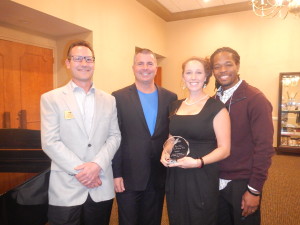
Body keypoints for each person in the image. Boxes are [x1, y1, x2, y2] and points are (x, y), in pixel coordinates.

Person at [40, 40, 121, 225]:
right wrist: (83, 172)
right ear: (68, 63)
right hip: (67, 186)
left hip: (100, 184)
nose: (84, 64)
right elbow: (50, 141)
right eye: (78, 59)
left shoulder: (109, 100)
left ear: (94, 63)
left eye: (88, 59)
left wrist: (96, 166)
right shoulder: (51, 98)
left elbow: (114, 136)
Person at [160, 57, 231, 225]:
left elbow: (224, 148)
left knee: (201, 217)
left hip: (201, 174)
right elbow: (172, 137)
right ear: (183, 77)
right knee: (177, 215)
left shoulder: (217, 108)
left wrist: (198, 162)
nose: (193, 77)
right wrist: (165, 151)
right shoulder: (174, 105)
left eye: (198, 72)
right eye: (189, 72)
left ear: (206, 76)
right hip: (176, 173)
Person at [112, 48, 177, 225]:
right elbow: (115, 137)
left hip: (158, 175)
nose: (145, 67)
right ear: (133, 67)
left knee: (152, 220)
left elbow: (172, 135)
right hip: (128, 175)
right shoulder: (118, 97)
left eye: (150, 63)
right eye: (140, 63)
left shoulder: (171, 98)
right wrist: (116, 174)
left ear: (156, 68)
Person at [210, 47, 274, 225]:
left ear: (237, 65)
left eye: (228, 64)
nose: (222, 70)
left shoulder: (255, 99)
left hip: (242, 182)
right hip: (216, 179)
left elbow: (265, 148)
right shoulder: (214, 100)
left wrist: (254, 190)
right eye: (217, 66)